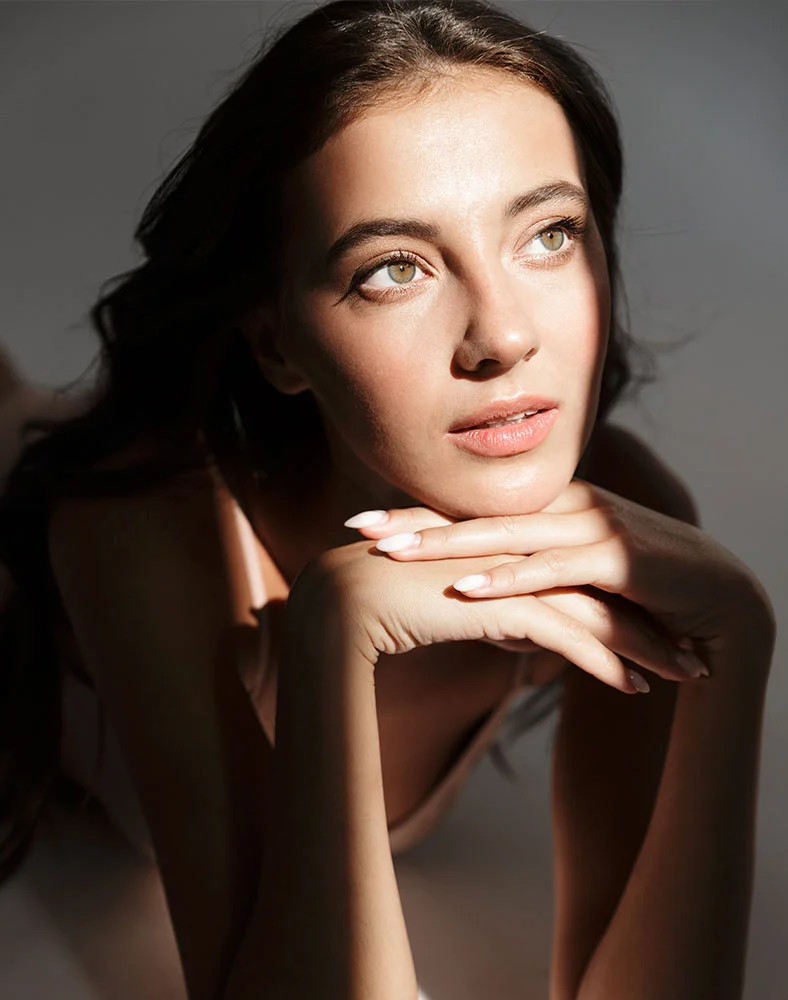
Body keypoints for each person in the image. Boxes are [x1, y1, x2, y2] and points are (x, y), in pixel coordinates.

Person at [0, 2, 775, 999]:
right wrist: (331, 640)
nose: (499, 336)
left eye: (548, 233)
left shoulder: (618, 524)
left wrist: (737, 652)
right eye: (393, 268)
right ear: (276, 342)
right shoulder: (144, 529)